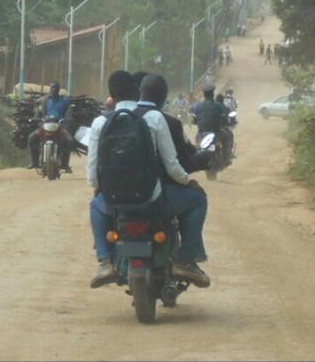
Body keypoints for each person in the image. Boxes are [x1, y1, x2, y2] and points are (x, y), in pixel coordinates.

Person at [85, 70, 211, 290]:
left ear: (111, 95)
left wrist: (99, 188)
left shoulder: (99, 123)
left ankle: (105, 261)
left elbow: (92, 173)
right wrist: (186, 182)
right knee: (198, 199)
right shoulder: (154, 118)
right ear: (136, 91)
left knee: (95, 206)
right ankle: (185, 259)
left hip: (114, 201)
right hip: (151, 198)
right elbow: (172, 165)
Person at [27, 81, 74, 172]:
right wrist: (36, 116)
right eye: (52, 88)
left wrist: (68, 118)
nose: (53, 90)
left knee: (69, 140)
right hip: (45, 125)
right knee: (31, 137)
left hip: (60, 125)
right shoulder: (45, 100)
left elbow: (69, 111)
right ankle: (34, 162)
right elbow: (37, 106)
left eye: (55, 88)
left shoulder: (64, 101)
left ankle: (65, 164)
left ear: (58, 89)